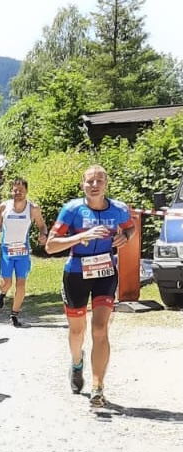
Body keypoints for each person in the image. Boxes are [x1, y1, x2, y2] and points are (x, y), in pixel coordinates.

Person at [45, 164, 134, 407]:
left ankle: (97, 387)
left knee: (100, 328)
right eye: (90, 181)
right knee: (77, 331)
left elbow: (130, 227)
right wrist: (80, 237)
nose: (94, 185)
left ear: (106, 184)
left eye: (99, 181)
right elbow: (50, 245)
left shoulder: (119, 209)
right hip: (76, 272)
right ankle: (77, 363)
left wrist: (125, 236)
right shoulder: (72, 210)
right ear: (82, 185)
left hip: (105, 272)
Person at [0, 177, 49, 327]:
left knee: (21, 284)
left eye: (21, 190)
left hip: (22, 251)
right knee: (6, 283)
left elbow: (42, 226)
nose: (18, 193)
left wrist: (43, 235)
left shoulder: (33, 208)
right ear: (11, 191)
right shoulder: (4, 206)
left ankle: (14, 314)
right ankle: (2, 293)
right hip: (7, 249)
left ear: (26, 191)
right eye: (15, 190)